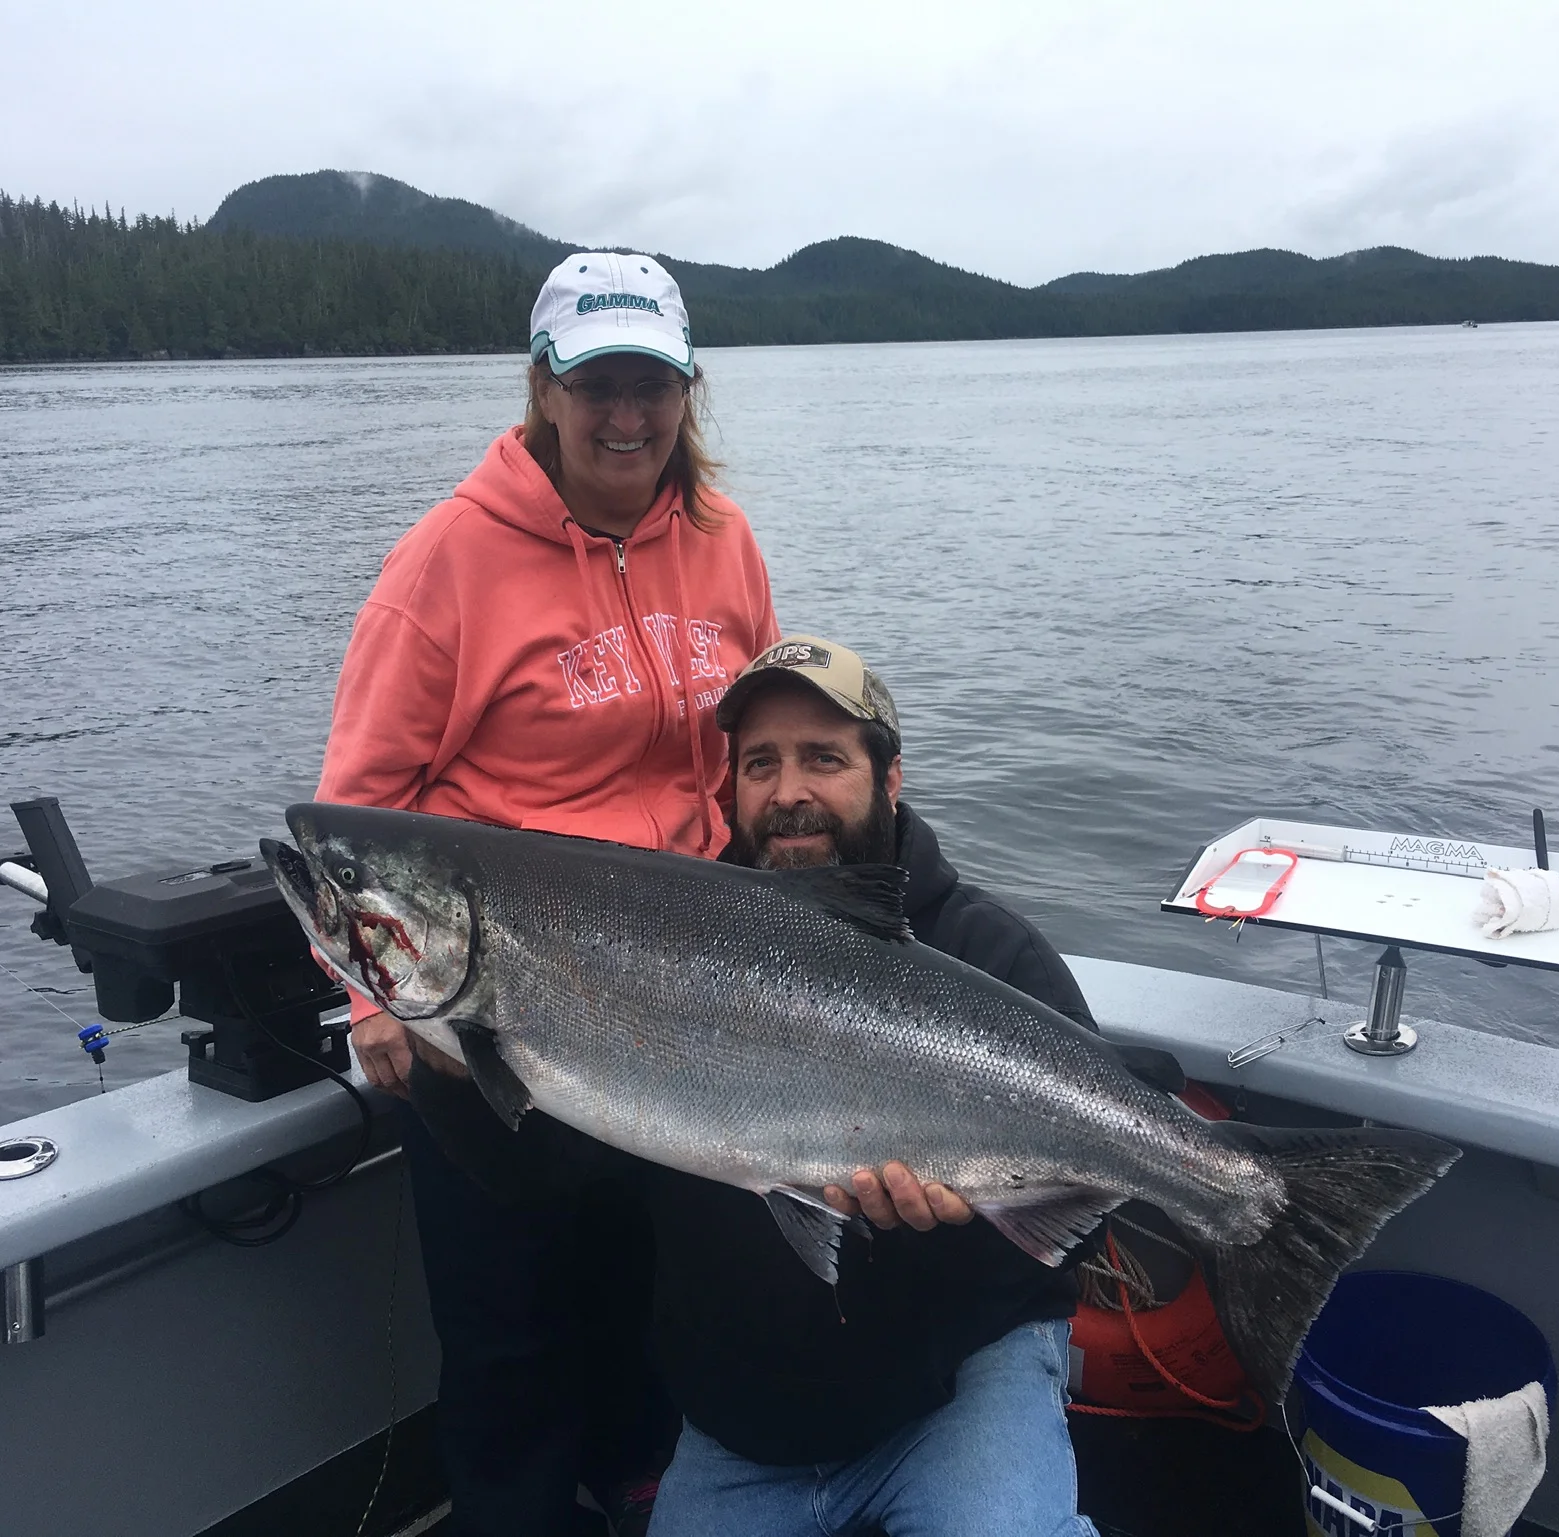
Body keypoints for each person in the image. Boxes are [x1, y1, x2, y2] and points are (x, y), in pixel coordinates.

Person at [314, 251, 779, 1537]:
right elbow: (355, 816)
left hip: (682, 1012)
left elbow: (741, 755)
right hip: (491, 1019)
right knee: (512, 1340)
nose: (626, 416)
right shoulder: (446, 567)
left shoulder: (722, 541)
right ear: (543, 389)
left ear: (689, 391)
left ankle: (644, 1501)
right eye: (598, 385)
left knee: (657, 1311)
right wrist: (372, 1002)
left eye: (652, 385)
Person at [640, 634, 1183, 1537]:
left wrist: (944, 1234)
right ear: (728, 792)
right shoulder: (662, 952)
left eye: (824, 757)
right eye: (759, 764)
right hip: (746, 1425)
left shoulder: (993, 955)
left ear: (890, 779)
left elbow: (1061, 1241)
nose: (788, 793)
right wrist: (461, 1052)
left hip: (960, 1381)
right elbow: (554, 1171)